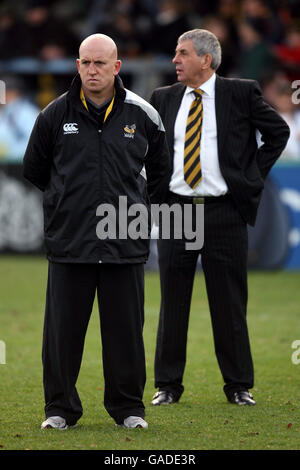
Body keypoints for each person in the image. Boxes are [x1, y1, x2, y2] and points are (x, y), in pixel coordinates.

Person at [23, 33, 171, 430]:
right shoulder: (54, 114)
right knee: (62, 336)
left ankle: (128, 410)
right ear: (77, 65)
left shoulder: (143, 115)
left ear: (117, 67)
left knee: (125, 335)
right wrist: (67, 204)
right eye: (86, 62)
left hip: (125, 244)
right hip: (70, 243)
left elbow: (161, 175)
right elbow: (35, 170)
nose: (92, 70)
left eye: (100, 63)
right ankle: (60, 410)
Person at [150, 29, 290, 407]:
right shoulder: (162, 97)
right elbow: (148, 148)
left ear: (206, 60)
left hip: (224, 211)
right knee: (173, 300)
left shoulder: (240, 92)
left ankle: (239, 386)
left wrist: (250, 177)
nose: (175, 60)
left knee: (229, 302)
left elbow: (278, 132)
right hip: (177, 209)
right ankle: (167, 386)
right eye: (175, 53)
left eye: (182, 53)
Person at [0, 75, 39, 162]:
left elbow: (34, 144)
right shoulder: (3, 111)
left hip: (21, 165)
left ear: (15, 93)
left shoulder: (28, 112)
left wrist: (8, 153)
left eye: (6, 92)